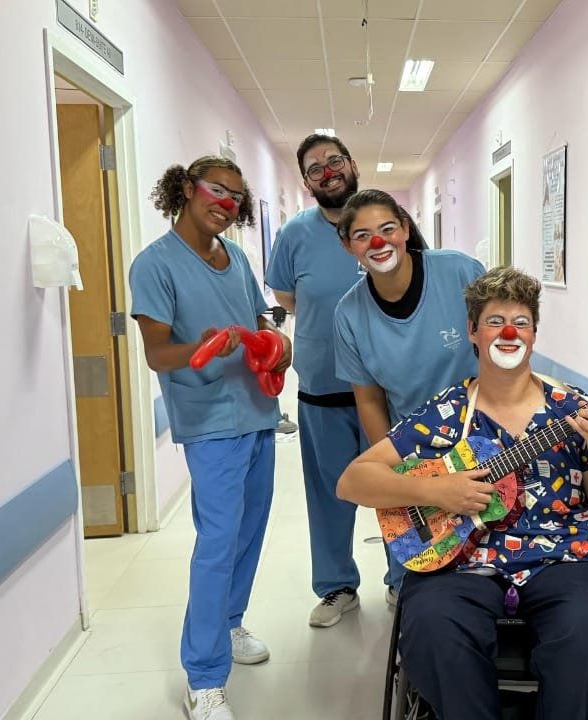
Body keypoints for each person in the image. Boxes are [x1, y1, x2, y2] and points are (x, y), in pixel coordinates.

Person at [338, 267, 588, 720]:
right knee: (433, 630)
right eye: (495, 321)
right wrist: (437, 490)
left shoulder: (575, 409)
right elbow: (352, 481)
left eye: (520, 321)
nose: (508, 331)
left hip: (563, 558)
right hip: (459, 563)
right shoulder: (445, 412)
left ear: (534, 335)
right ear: (472, 333)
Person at [129, 155, 291, 720]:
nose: (226, 204)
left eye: (235, 197)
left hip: (256, 411)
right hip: (210, 422)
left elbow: (260, 319)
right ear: (185, 189)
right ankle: (203, 678)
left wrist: (276, 342)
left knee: (249, 529)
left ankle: (227, 623)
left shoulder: (237, 258)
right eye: (216, 191)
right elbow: (156, 353)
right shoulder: (155, 265)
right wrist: (203, 346)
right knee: (218, 541)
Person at [333, 189, 486, 597]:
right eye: (363, 235)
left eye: (387, 229)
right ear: (348, 246)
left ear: (405, 229)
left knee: (486, 549)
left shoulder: (458, 273)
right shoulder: (349, 315)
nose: (378, 242)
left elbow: (503, 342)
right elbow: (368, 399)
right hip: (414, 447)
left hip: (484, 437)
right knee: (418, 567)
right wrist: (396, 473)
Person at [264, 133, 379, 628]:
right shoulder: (295, 234)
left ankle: (406, 580)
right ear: (307, 181)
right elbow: (288, 297)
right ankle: (336, 587)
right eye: (315, 167)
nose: (328, 170)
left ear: (353, 164)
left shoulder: (381, 221)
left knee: (401, 489)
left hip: (383, 387)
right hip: (322, 388)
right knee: (330, 493)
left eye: (335, 160)